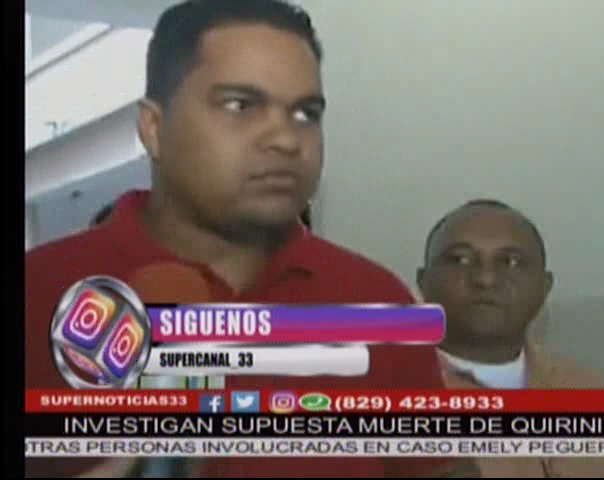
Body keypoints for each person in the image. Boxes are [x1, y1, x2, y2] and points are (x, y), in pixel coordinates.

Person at [25, 1, 466, 477]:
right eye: (240, 105)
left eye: (305, 113)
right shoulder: (38, 291)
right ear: (153, 129)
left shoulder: (377, 301)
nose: (286, 140)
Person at [416, 199, 604, 477]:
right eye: (459, 259)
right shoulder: (387, 392)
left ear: (544, 287)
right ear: (423, 282)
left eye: (510, 262)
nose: (485, 279)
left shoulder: (591, 394)